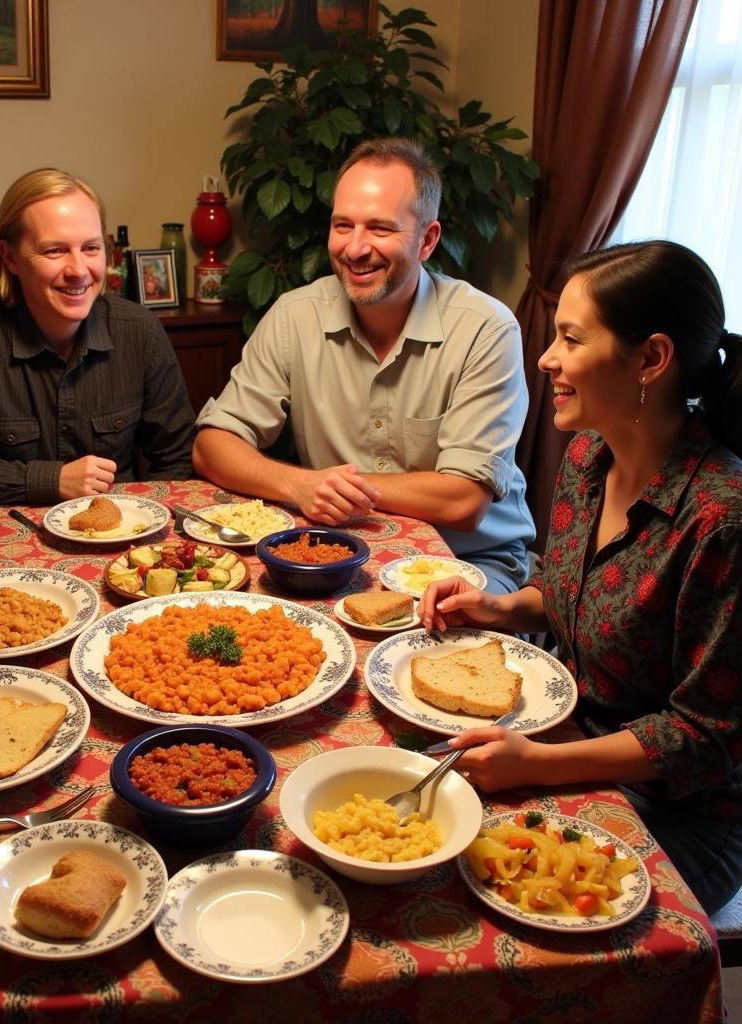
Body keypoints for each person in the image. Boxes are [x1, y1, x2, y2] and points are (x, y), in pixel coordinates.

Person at [419, 241, 742, 913]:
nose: (547, 357)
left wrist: (538, 765)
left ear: (651, 358)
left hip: (681, 811)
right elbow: (565, 591)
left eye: (570, 338)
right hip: (566, 737)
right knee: (416, 806)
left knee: (455, 872)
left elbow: (704, 735)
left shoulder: (721, 519)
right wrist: (494, 608)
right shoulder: (589, 455)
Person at [193, 138, 534, 593]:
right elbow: (212, 445)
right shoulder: (295, 316)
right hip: (340, 554)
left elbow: (463, 500)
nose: (355, 248)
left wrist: (337, 491)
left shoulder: (486, 329)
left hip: (465, 562)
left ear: (427, 240)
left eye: (379, 228)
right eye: (342, 225)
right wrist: (299, 485)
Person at [0, 168, 196, 506]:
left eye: (91, 248)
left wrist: (147, 522)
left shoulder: (140, 331)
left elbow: (177, 457)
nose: (78, 270)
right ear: (10, 257)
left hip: (122, 530)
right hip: (5, 538)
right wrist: (53, 480)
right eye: (54, 251)